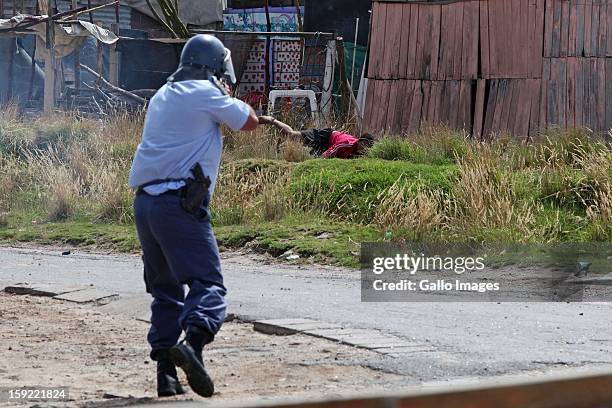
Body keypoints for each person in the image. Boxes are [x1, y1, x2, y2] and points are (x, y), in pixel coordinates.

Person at [128, 34, 262, 398]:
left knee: (166, 291)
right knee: (208, 284)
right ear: (212, 68)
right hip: (180, 204)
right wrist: (240, 103)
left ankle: (166, 377)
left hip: (146, 205)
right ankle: (194, 347)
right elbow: (247, 122)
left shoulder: (163, 95)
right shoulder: (205, 93)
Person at [258, 116, 374, 158]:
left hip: (328, 142)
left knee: (306, 152)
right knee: (292, 135)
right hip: (325, 136)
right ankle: (271, 120)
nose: (366, 150)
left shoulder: (361, 153)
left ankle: (282, 150)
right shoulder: (346, 144)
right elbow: (328, 153)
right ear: (360, 142)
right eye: (365, 146)